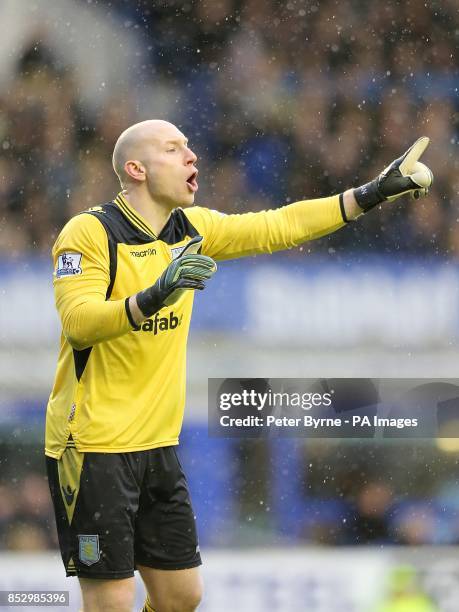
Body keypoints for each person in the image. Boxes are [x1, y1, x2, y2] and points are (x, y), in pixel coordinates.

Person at [45, 119, 432, 612]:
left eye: (189, 146)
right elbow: (78, 323)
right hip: (93, 447)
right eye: (173, 149)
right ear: (136, 169)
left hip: (156, 447)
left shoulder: (192, 230)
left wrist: (371, 193)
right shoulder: (90, 231)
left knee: (182, 595)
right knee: (111, 602)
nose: (192, 157)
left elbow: (279, 226)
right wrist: (156, 294)